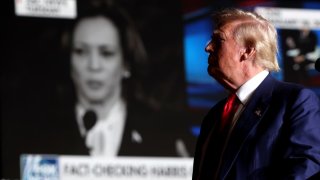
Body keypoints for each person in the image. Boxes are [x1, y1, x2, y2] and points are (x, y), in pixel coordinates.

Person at [192, 8, 320, 179]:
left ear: (247, 50)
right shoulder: (214, 116)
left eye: (218, 40)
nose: (208, 47)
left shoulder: (294, 101)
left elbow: (304, 168)